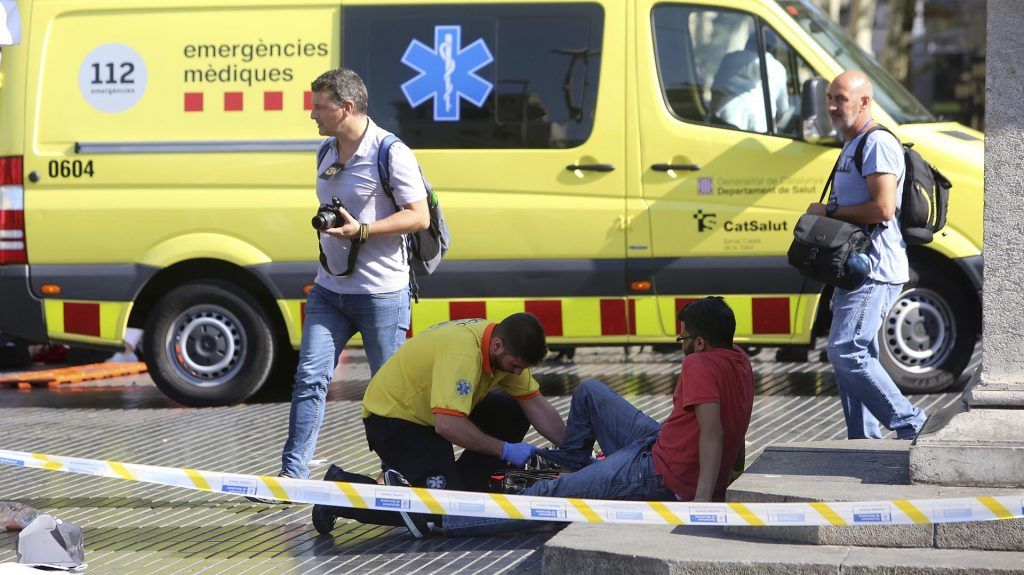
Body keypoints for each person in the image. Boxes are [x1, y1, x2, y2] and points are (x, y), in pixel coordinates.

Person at [422, 296, 754, 538]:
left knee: (549, 494)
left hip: (660, 472)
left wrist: (701, 501)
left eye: (682, 339)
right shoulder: (739, 358)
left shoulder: (698, 363)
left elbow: (713, 432)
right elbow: (736, 424)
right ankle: (574, 465)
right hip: (658, 444)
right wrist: (732, 475)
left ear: (700, 342)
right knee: (590, 392)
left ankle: (444, 521)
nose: (681, 345)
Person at [273, 68, 432, 486]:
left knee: (388, 391)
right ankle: (292, 476)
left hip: (381, 293)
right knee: (309, 378)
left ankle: (397, 475)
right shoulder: (326, 151)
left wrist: (363, 230)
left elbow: (419, 216)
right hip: (329, 290)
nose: (312, 114)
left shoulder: (390, 152)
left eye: (319, 106)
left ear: (346, 107)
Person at [311, 312, 566, 536]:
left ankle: (461, 488)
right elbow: (448, 425)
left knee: (513, 412)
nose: (518, 373)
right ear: (498, 345)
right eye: (516, 366)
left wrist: (572, 451)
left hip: (428, 414)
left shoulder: (500, 346)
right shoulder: (463, 353)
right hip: (393, 421)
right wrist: (504, 449)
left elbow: (537, 406)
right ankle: (340, 492)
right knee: (445, 512)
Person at [805, 70, 927, 440]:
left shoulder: (876, 143)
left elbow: (883, 208)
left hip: (873, 270)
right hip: (853, 269)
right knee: (857, 358)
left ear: (864, 103)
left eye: (840, 99)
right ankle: (863, 442)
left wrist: (828, 212)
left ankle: (911, 422)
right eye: (829, 98)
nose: (831, 106)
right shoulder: (852, 143)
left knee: (847, 351)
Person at [710, 34, 789, 133]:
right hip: (758, 130)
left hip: (723, 121)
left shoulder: (730, 58)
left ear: (747, 43)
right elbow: (782, 109)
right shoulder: (778, 69)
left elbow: (715, 88)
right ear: (773, 49)